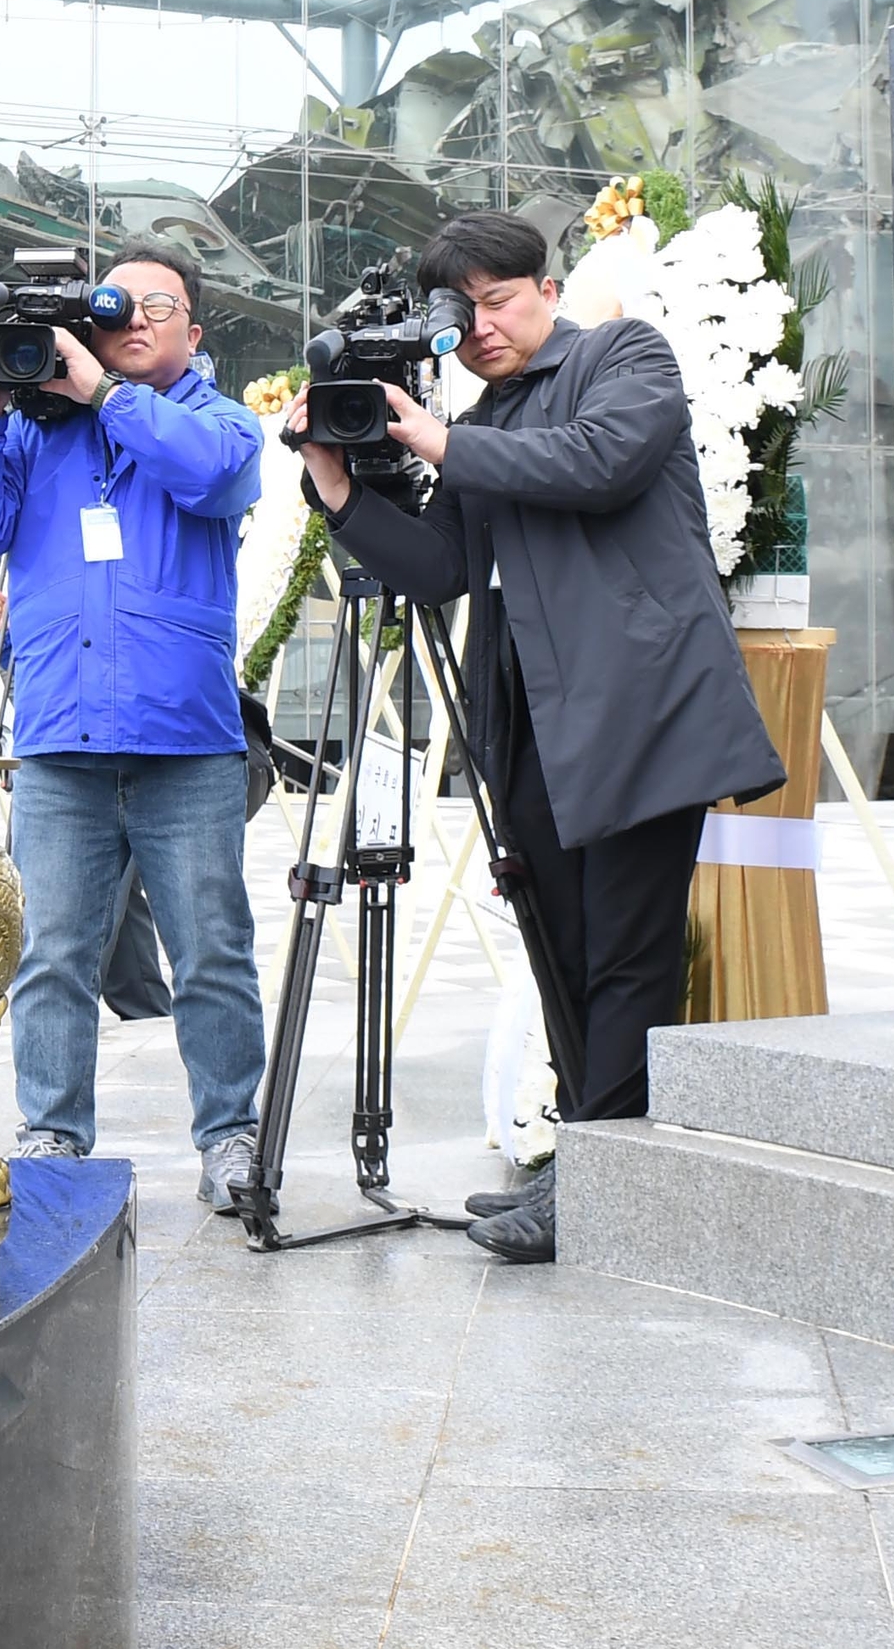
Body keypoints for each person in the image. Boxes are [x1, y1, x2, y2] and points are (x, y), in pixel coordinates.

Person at [300, 210, 783, 1265]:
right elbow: (441, 570)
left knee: (625, 951)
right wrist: (336, 489)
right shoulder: (487, 415)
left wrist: (437, 439)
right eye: (457, 313)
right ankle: (584, 1163)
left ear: (545, 289)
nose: (478, 328)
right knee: (562, 951)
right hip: (531, 719)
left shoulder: (623, 356)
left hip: (639, 706)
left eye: (496, 301)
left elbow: (601, 464)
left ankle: (600, 1181)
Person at [0, 249, 269, 1209]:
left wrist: (104, 392)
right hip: (60, 741)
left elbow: (213, 479)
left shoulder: (216, 419)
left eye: (161, 304)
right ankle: (52, 1134)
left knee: (210, 950)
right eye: (121, 304)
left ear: (193, 334)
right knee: (52, 954)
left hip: (185, 743)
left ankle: (231, 1136)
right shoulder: (38, 433)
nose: (139, 316)